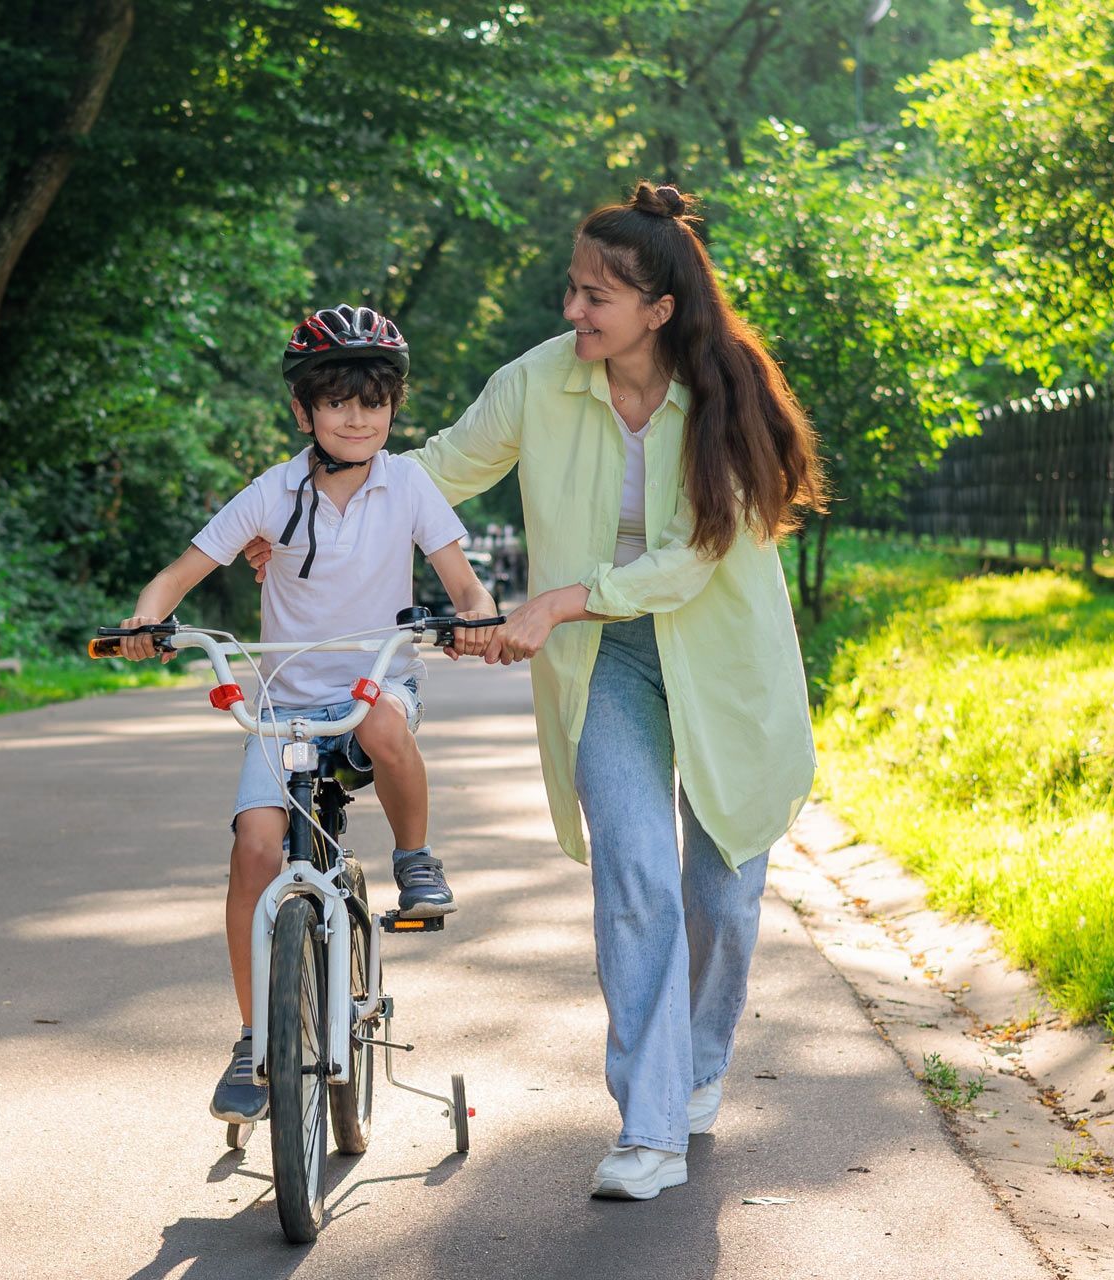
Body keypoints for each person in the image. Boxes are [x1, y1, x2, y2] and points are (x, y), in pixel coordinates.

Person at [247, 181, 824, 1200]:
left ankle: (695, 1065)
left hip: (725, 659)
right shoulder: (539, 383)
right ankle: (648, 1127)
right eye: (572, 287)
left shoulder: (725, 388)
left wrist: (555, 601)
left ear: (660, 308)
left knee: (724, 895)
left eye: (596, 296)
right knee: (637, 876)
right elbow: (424, 473)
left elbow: (694, 556)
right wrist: (303, 513)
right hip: (608, 666)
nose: (572, 310)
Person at [116, 304, 498, 1126]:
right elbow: (176, 576)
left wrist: (473, 617)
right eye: (336, 402)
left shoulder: (410, 487)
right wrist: (149, 622)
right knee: (253, 850)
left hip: (374, 682)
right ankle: (253, 1041)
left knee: (380, 727)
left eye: (374, 401)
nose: (357, 417)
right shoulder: (270, 494)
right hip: (285, 701)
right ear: (304, 412)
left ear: (394, 407)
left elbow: (464, 585)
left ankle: (417, 858)